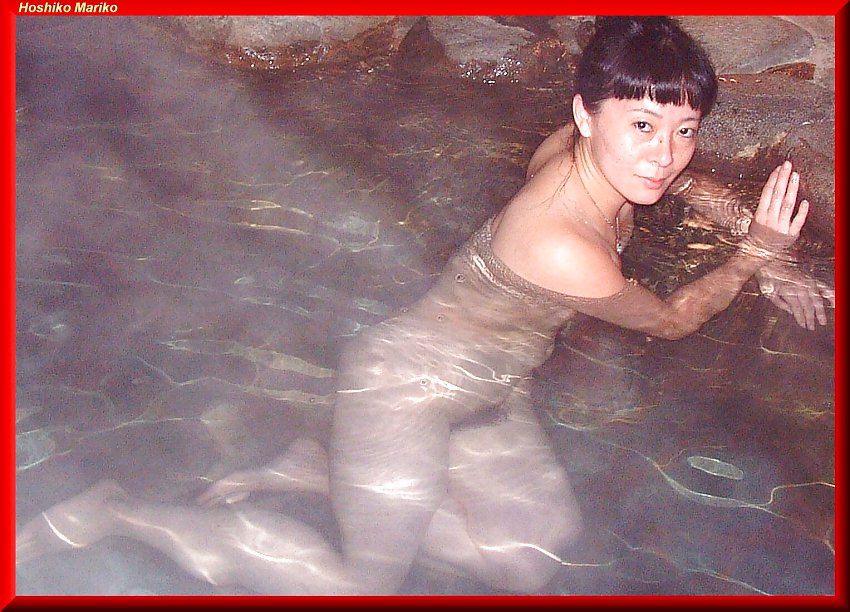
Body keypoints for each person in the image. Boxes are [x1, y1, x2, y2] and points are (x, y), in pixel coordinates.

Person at [16, 16, 830, 595]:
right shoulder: (561, 244)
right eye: (644, 125)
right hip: (405, 393)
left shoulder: (578, 151)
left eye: (685, 128)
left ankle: (322, 471)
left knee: (530, 558)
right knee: (356, 586)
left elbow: (680, 181)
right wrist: (755, 254)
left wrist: (764, 247)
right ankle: (117, 516)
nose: (664, 153)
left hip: (485, 387)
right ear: (587, 113)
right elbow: (673, 319)